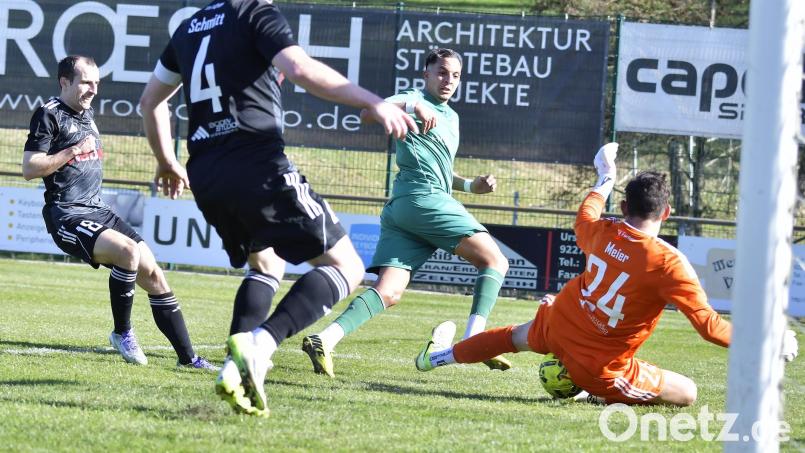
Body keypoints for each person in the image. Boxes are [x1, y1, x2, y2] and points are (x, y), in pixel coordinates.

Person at [139, 0, 416, 417]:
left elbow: (150, 102)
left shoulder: (189, 27)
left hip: (208, 175)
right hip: (258, 166)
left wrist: (166, 161)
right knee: (349, 267)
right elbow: (302, 69)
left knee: (266, 264)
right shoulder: (255, 13)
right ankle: (259, 345)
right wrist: (373, 101)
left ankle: (236, 370)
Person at [415, 142, 800, 406]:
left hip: (560, 321)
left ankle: (434, 360)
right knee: (689, 393)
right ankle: (591, 391)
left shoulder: (603, 230)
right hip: (598, 364)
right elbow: (709, 327)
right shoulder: (669, 263)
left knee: (512, 336)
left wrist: (605, 175)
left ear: (624, 205)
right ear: (665, 214)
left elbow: (587, 212)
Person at [302, 47, 512, 378]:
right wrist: (412, 104)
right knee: (495, 261)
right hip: (423, 201)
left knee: (390, 291)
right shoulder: (413, 99)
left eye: (455, 75)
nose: (448, 80)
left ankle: (325, 339)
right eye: (442, 72)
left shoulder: (451, 117)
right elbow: (368, 114)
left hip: (405, 207)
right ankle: (475, 340)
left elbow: (442, 172)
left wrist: (472, 187)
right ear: (426, 74)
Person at [22, 55, 216, 371]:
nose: (93, 89)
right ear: (64, 82)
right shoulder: (49, 115)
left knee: (154, 274)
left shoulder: (87, 114)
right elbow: (30, 168)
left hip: (99, 210)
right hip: (67, 215)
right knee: (127, 252)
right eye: (86, 82)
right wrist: (71, 151)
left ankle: (189, 359)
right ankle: (122, 333)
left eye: (97, 83)